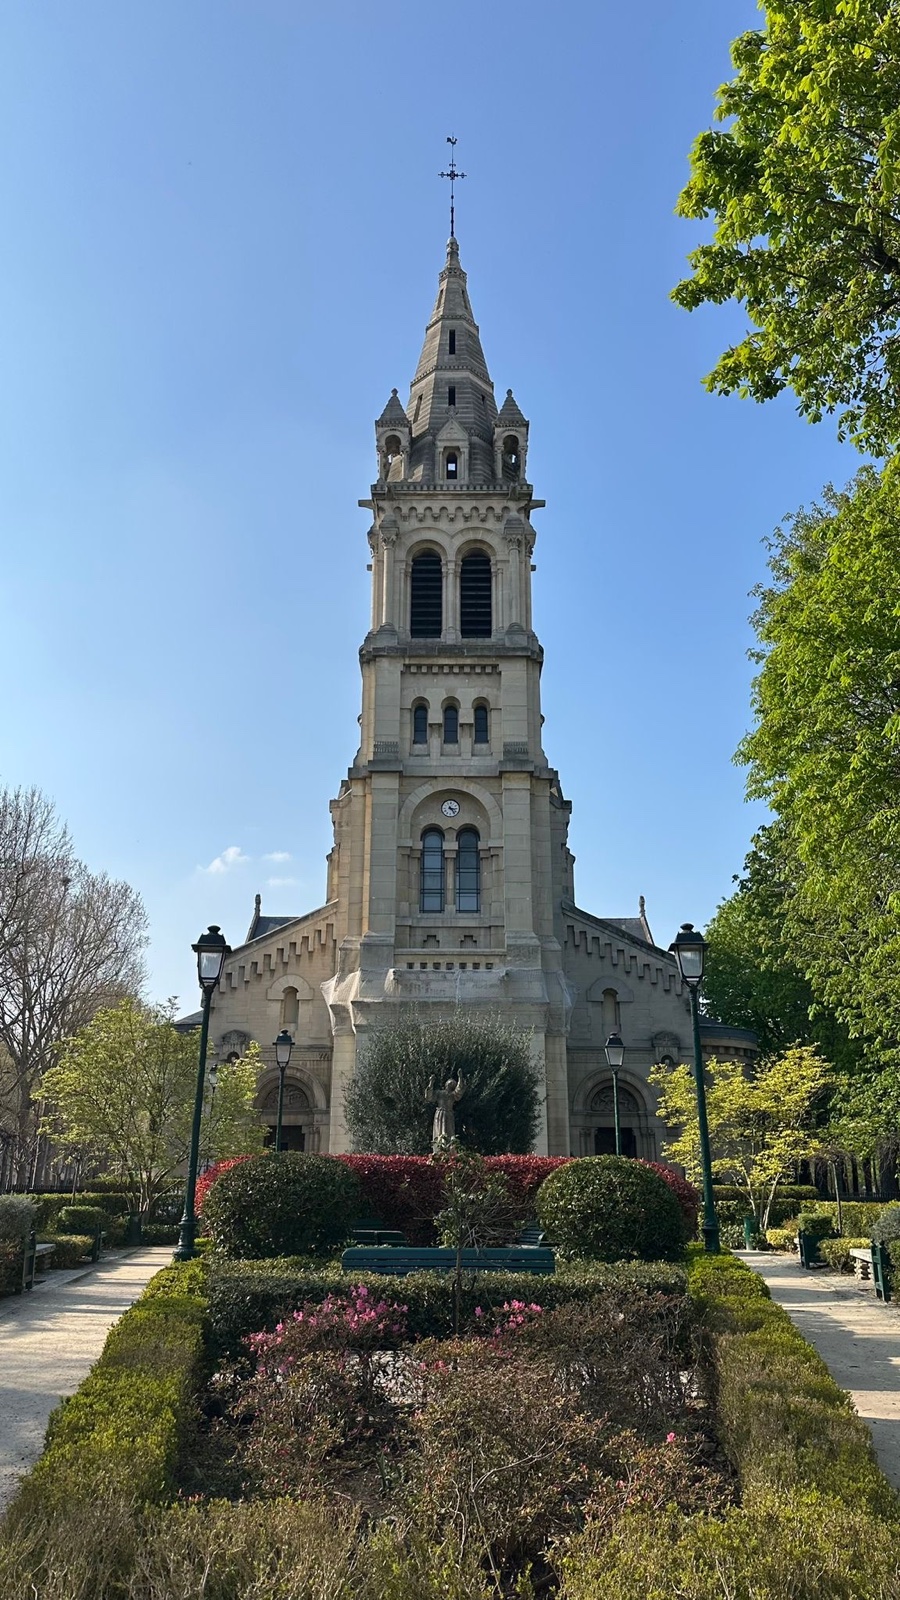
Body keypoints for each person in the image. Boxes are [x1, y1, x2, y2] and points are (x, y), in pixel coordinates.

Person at [426, 1072, 465, 1151]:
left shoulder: (453, 1095)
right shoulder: (439, 1093)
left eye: (453, 1083)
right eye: (449, 1082)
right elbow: (429, 1097)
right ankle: (438, 1149)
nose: (451, 1083)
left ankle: (450, 1150)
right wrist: (431, 1083)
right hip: (440, 1114)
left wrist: (460, 1078)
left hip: (449, 1114)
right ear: (446, 1084)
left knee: (450, 1133)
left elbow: (459, 1090)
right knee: (439, 1132)